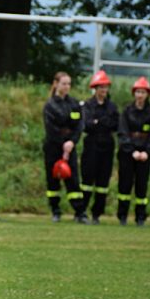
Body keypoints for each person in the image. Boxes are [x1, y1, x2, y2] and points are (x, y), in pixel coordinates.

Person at [43, 71, 88, 223]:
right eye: (64, 83)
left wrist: (72, 142)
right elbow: (51, 128)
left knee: (73, 178)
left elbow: (79, 126)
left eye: (69, 84)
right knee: (53, 178)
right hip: (54, 146)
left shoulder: (75, 104)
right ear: (56, 84)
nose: (67, 86)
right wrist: (63, 144)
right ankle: (56, 211)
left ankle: (80, 212)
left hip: (70, 146)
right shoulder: (50, 105)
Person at [117, 76, 150, 227]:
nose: (140, 95)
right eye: (138, 92)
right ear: (134, 93)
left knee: (142, 185)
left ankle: (140, 216)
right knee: (124, 184)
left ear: (147, 94)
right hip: (128, 154)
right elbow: (122, 133)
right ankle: (122, 215)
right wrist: (131, 151)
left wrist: (147, 152)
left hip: (144, 155)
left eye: (143, 92)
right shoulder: (127, 111)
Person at [80, 70, 119, 224]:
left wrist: (98, 122)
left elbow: (115, 124)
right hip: (91, 144)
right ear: (95, 88)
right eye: (100, 87)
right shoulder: (87, 105)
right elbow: (86, 124)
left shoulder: (112, 107)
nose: (103, 90)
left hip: (107, 145)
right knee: (87, 178)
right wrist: (101, 123)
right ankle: (82, 210)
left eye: (105, 87)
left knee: (103, 181)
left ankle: (97, 213)